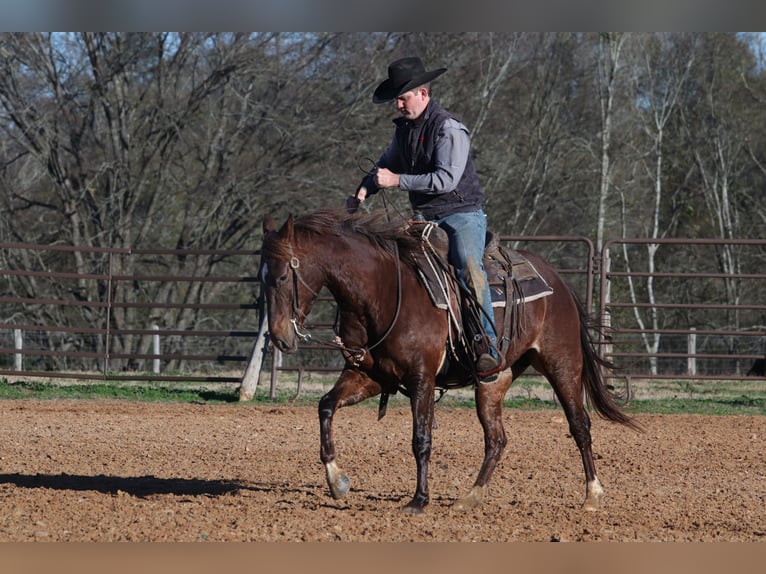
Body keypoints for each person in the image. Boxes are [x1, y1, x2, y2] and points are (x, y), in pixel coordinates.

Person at [349, 56, 501, 377]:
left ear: (423, 94)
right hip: (424, 219)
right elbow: (384, 166)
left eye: (403, 98)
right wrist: (363, 190)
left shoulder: (449, 129)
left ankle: (487, 344)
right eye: (397, 100)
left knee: (469, 266)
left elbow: (445, 180)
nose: (398, 105)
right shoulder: (403, 132)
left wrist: (396, 180)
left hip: (461, 216)